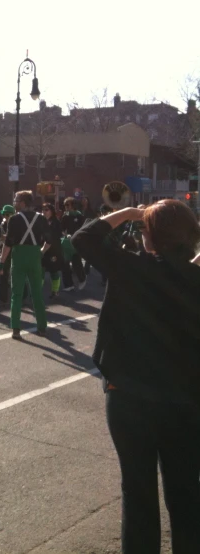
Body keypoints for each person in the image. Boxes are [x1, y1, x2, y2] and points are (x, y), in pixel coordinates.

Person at [72, 200, 200, 554]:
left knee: (138, 490)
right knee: (186, 491)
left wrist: (129, 213)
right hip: (186, 402)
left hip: (128, 395)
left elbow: (83, 238)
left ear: (150, 236)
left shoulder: (130, 268)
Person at [0, 190, 51, 339]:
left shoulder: (14, 219)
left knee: (16, 294)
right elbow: (50, 241)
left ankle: (16, 328)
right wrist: (40, 252)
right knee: (37, 294)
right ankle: (42, 327)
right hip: (35, 256)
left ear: (22, 202)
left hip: (19, 256)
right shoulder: (41, 219)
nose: (14, 202)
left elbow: (8, 244)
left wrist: (1, 262)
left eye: (16, 199)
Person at [60, 196, 86, 291]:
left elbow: (83, 228)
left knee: (76, 262)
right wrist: (64, 234)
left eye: (68, 204)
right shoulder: (65, 216)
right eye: (65, 205)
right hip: (67, 242)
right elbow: (62, 228)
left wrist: (76, 236)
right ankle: (68, 284)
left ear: (73, 205)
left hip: (76, 242)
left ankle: (82, 279)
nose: (66, 206)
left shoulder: (79, 216)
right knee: (65, 264)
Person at [41, 203, 63, 299]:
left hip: (53, 250)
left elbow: (54, 237)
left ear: (51, 211)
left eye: (46, 209)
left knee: (53, 271)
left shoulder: (55, 222)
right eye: (43, 209)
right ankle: (37, 291)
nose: (44, 211)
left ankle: (55, 291)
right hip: (42, 248)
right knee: (40, 270)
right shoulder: (41, 221)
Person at [0, 205, 16, 305]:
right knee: (3, 275)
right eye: (4, 214)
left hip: (15, 251)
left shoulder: (17, 224)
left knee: (16, 276)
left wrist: (8, 238)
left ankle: (22, 297)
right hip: (4, 251)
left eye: (7, 214)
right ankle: (3, 299)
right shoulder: (2, 224)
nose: (5, 217)